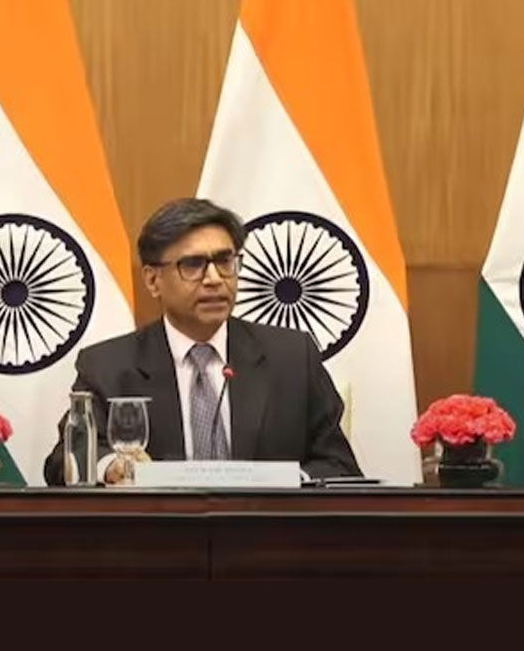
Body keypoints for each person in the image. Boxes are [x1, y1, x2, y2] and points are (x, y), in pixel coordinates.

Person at [43, 198, 359, 486]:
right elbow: (64, 462)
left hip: (266, 527)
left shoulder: (291, 358)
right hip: (158, 529)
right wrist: (112, 467)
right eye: (193, 265)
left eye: (225, 261)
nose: (215, 279)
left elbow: (339, 465)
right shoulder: (109, 366)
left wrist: (288, 483)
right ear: (153, 280)